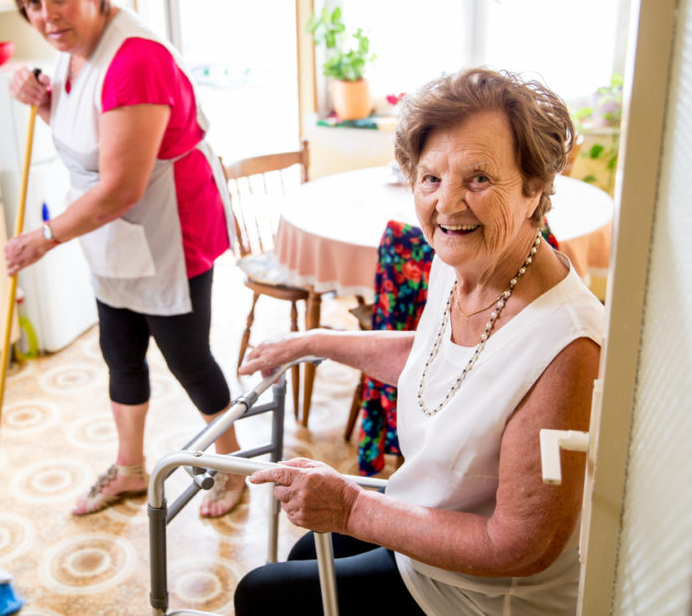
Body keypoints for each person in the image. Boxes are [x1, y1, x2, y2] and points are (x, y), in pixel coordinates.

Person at [233, 67, 604, 614]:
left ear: (534, 188)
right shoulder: (456, 262)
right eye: (430, 179)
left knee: (263, 595)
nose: (447, 205)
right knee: (298, 557)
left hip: (477, 590)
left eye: (479, 179)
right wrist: (312, 341)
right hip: (428, 514)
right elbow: (436, 356)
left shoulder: (567, 344)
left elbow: (522, 545)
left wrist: (353, 509)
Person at [5, 0, 245, 518]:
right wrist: (39, 100)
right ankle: (130, 470)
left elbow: (121, 185)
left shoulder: (135, 58)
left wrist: (45, 236)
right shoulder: (73, 49)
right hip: (114, 234)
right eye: (33, 3)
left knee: (187, 359)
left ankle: (234, 469)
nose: (47, 16)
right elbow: (87, 134)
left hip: (169, 230)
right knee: (121, 352)